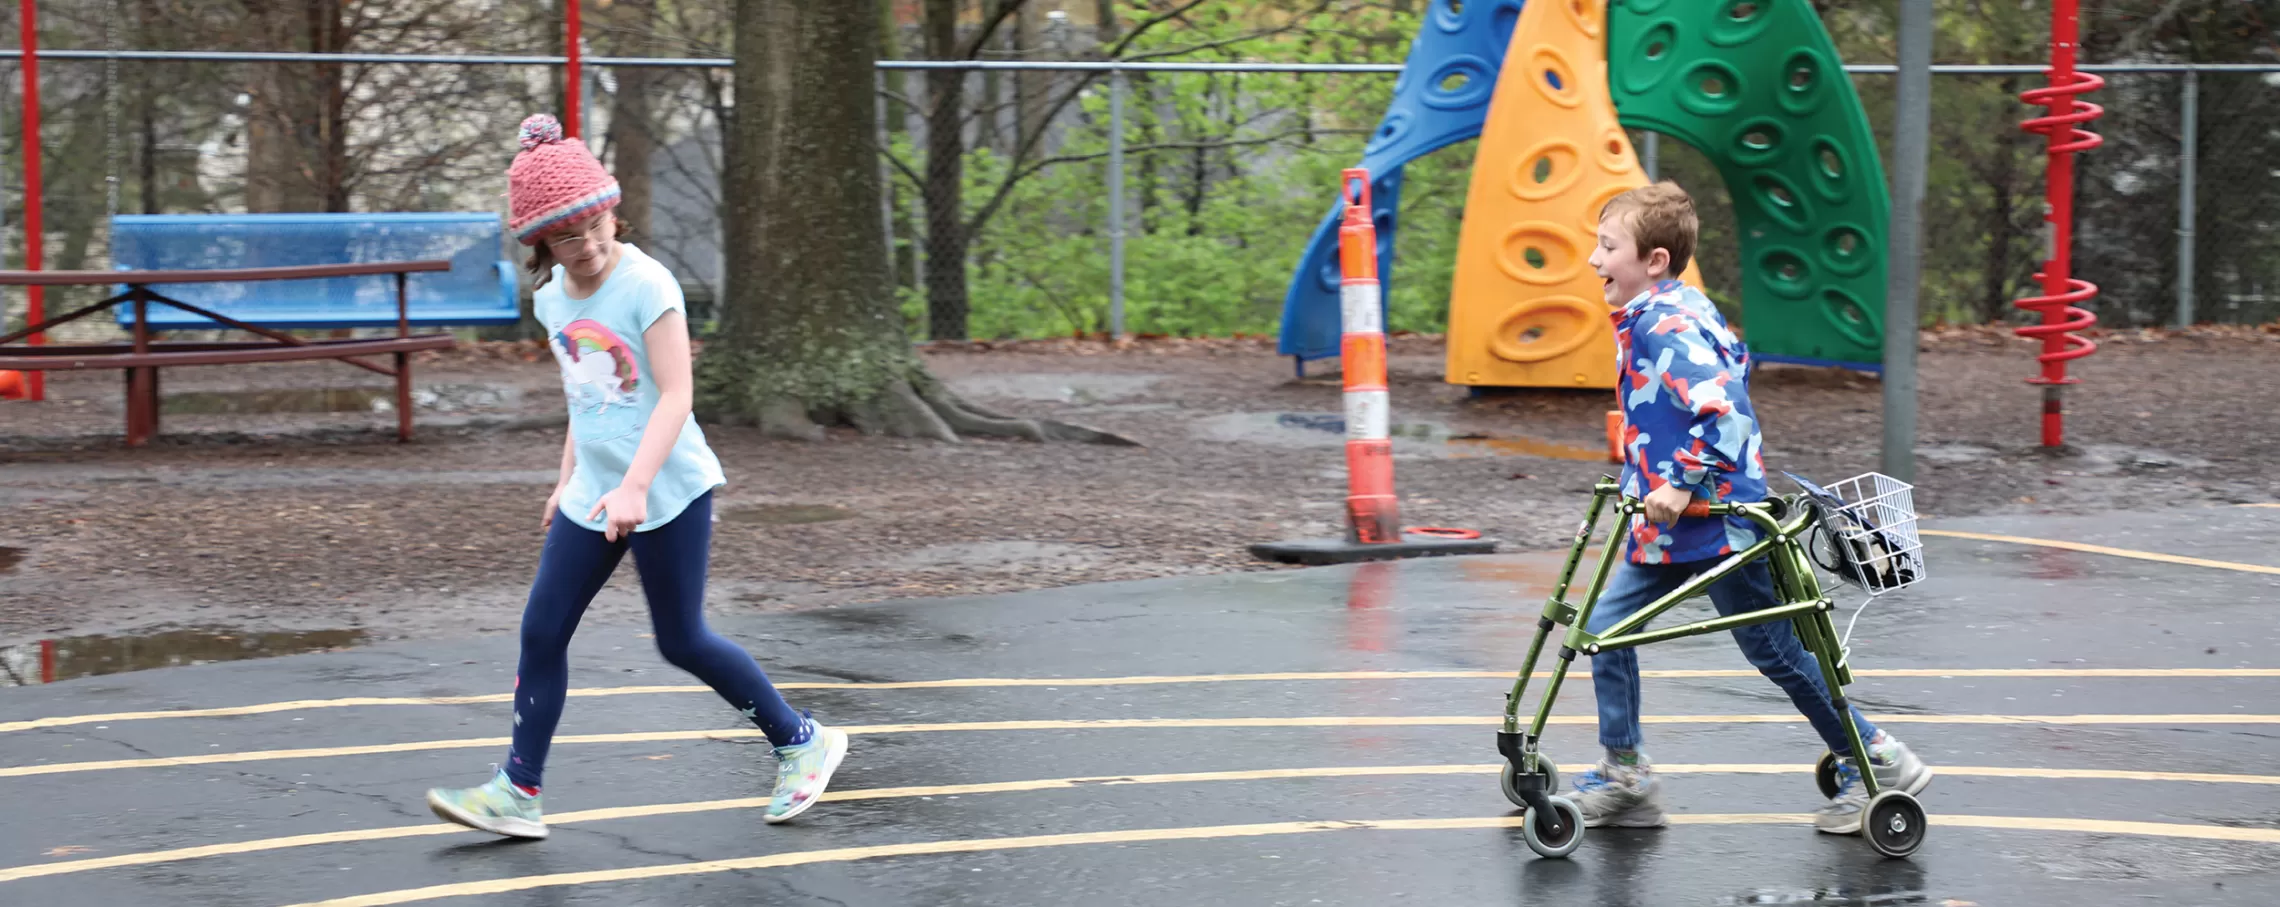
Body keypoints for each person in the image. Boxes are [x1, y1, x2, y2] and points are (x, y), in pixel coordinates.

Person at [424, 114, 848, 838]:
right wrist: (569, 481)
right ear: (540, 244)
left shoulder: (648, 285)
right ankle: (517, 791)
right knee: (541, 630)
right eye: (566, 235)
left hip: (667, 486)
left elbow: (676, 396)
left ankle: (802, 740)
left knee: (681, 639)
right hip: (599, 488)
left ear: (613, 211)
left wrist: (636, 486)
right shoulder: (553, 297)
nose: (586, 245)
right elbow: (586, 400)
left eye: (595, 225)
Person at [1569, 181, 1931, 834]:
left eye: (1607, 246)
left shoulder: (1665, 322)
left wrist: (1679, 481)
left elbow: (1725, 408)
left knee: (1777, 651)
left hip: (1717, 526)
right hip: (1674, 526)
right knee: (1606, 627)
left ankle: (1876, 753)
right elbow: (1735, 361)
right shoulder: (1672, 308)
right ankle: (1626, 770)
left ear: (1653, 260)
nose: (1594, 260)